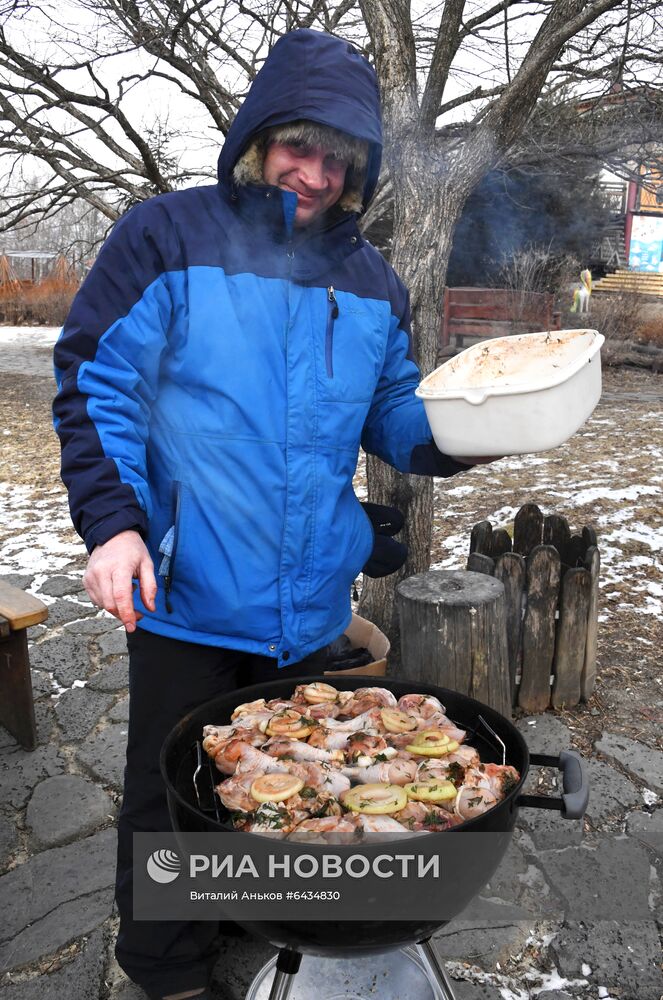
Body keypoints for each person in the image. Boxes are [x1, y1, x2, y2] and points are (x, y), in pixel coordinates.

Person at [53, 28, 476, 1000]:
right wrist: (113, 521)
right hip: (190, 589)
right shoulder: (168, 236)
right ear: (260, 133)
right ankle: (164, 967)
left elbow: (393, 415)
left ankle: (258, 913)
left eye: (339, 157)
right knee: (174, 795)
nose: (316, 172)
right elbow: (94, 379)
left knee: (283, 783)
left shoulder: (370, 283)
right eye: (300, 143)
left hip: (310, 604)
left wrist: (465, 429)